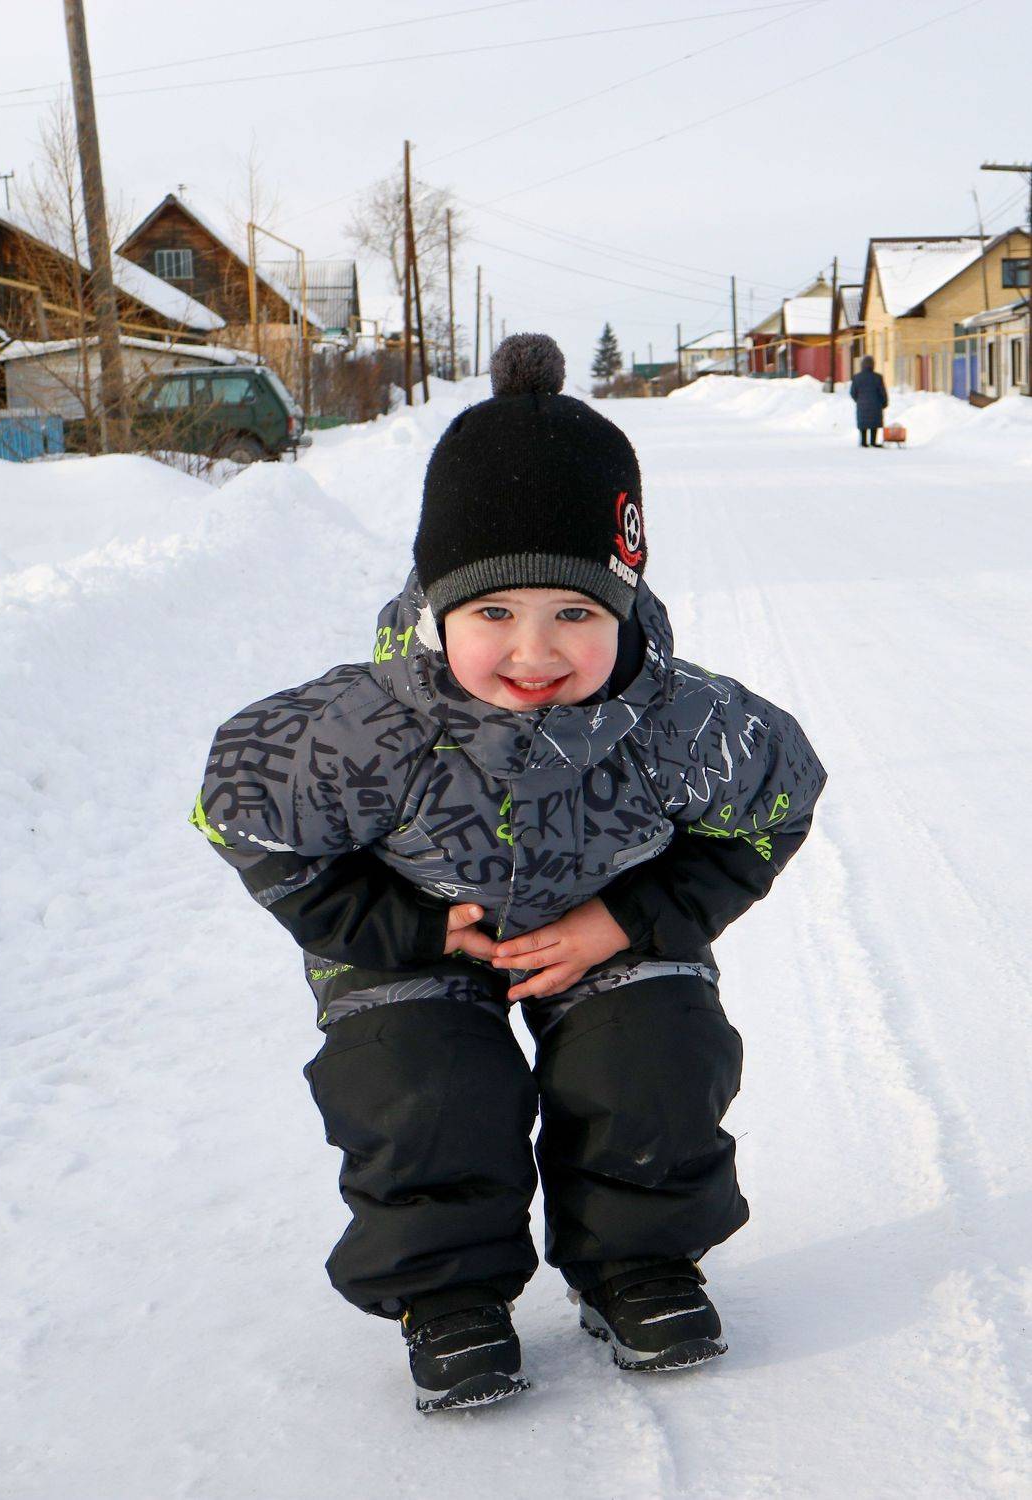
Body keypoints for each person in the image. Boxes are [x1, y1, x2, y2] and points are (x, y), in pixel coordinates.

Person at [191, 333, 828, 1413]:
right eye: (493, 613)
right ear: (437, 606)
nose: (535, 654)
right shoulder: (356, 728)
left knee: (654, 1058)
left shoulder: (683, 723)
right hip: (420, 936)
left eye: (575, 613)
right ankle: (448, 1294)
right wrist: (402, 928)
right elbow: (239, 816)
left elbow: (777, 807)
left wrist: (629, 918)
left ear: (624, 602)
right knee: (421, 1085)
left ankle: (638, 1264)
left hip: (601, 926)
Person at [849, 353, 888, 447]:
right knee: (874, 423)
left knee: (864, 423)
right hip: (876, 405)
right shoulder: (878, 377)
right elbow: (882, 392)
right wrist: (884, 403)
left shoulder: (857, 377)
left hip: (862, 405)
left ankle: (863, 442)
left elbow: (852, 392)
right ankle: (873, 442)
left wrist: (858, 400)